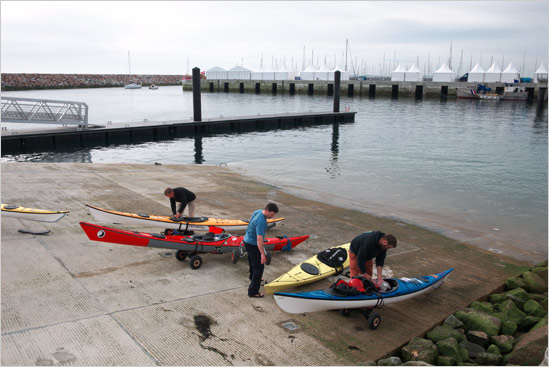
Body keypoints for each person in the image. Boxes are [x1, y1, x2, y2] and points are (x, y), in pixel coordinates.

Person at [243, 202, 279, 298]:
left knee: (252, 261)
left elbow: (250, 224)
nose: (272, 217)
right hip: (253, 244)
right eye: (271, 214)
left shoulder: (258, 211)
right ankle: (253, 292)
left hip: (247, 240)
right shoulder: (262, 221)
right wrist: (263, 254)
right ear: (267, 211)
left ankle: (252, 277)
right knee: (259, 268)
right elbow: (259, 239)